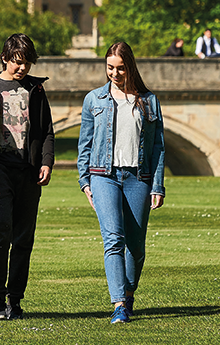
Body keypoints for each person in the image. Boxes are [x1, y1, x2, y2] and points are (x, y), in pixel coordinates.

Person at [0, 33, 55, 321]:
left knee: (24, 237)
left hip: (28, 172)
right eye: (18, 62)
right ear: (5, 58)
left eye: (27, 63)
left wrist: (46, 162)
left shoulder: (36, 90)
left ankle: (15, 299)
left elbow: (47, 132)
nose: (23, 68)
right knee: (1, 230)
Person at [77, 42, 165, 324]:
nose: (114, 73)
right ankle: (118, 304)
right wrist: (85, 181)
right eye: (110, 68)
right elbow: (85, 144)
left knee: (136, 247)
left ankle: (128, 293)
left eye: (120, 68)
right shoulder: (94, 100)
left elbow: (158, 147)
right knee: (113, 239)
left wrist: (157, 185)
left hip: (138, 178)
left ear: (131, 67)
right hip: (103, 175)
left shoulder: (149, 101)